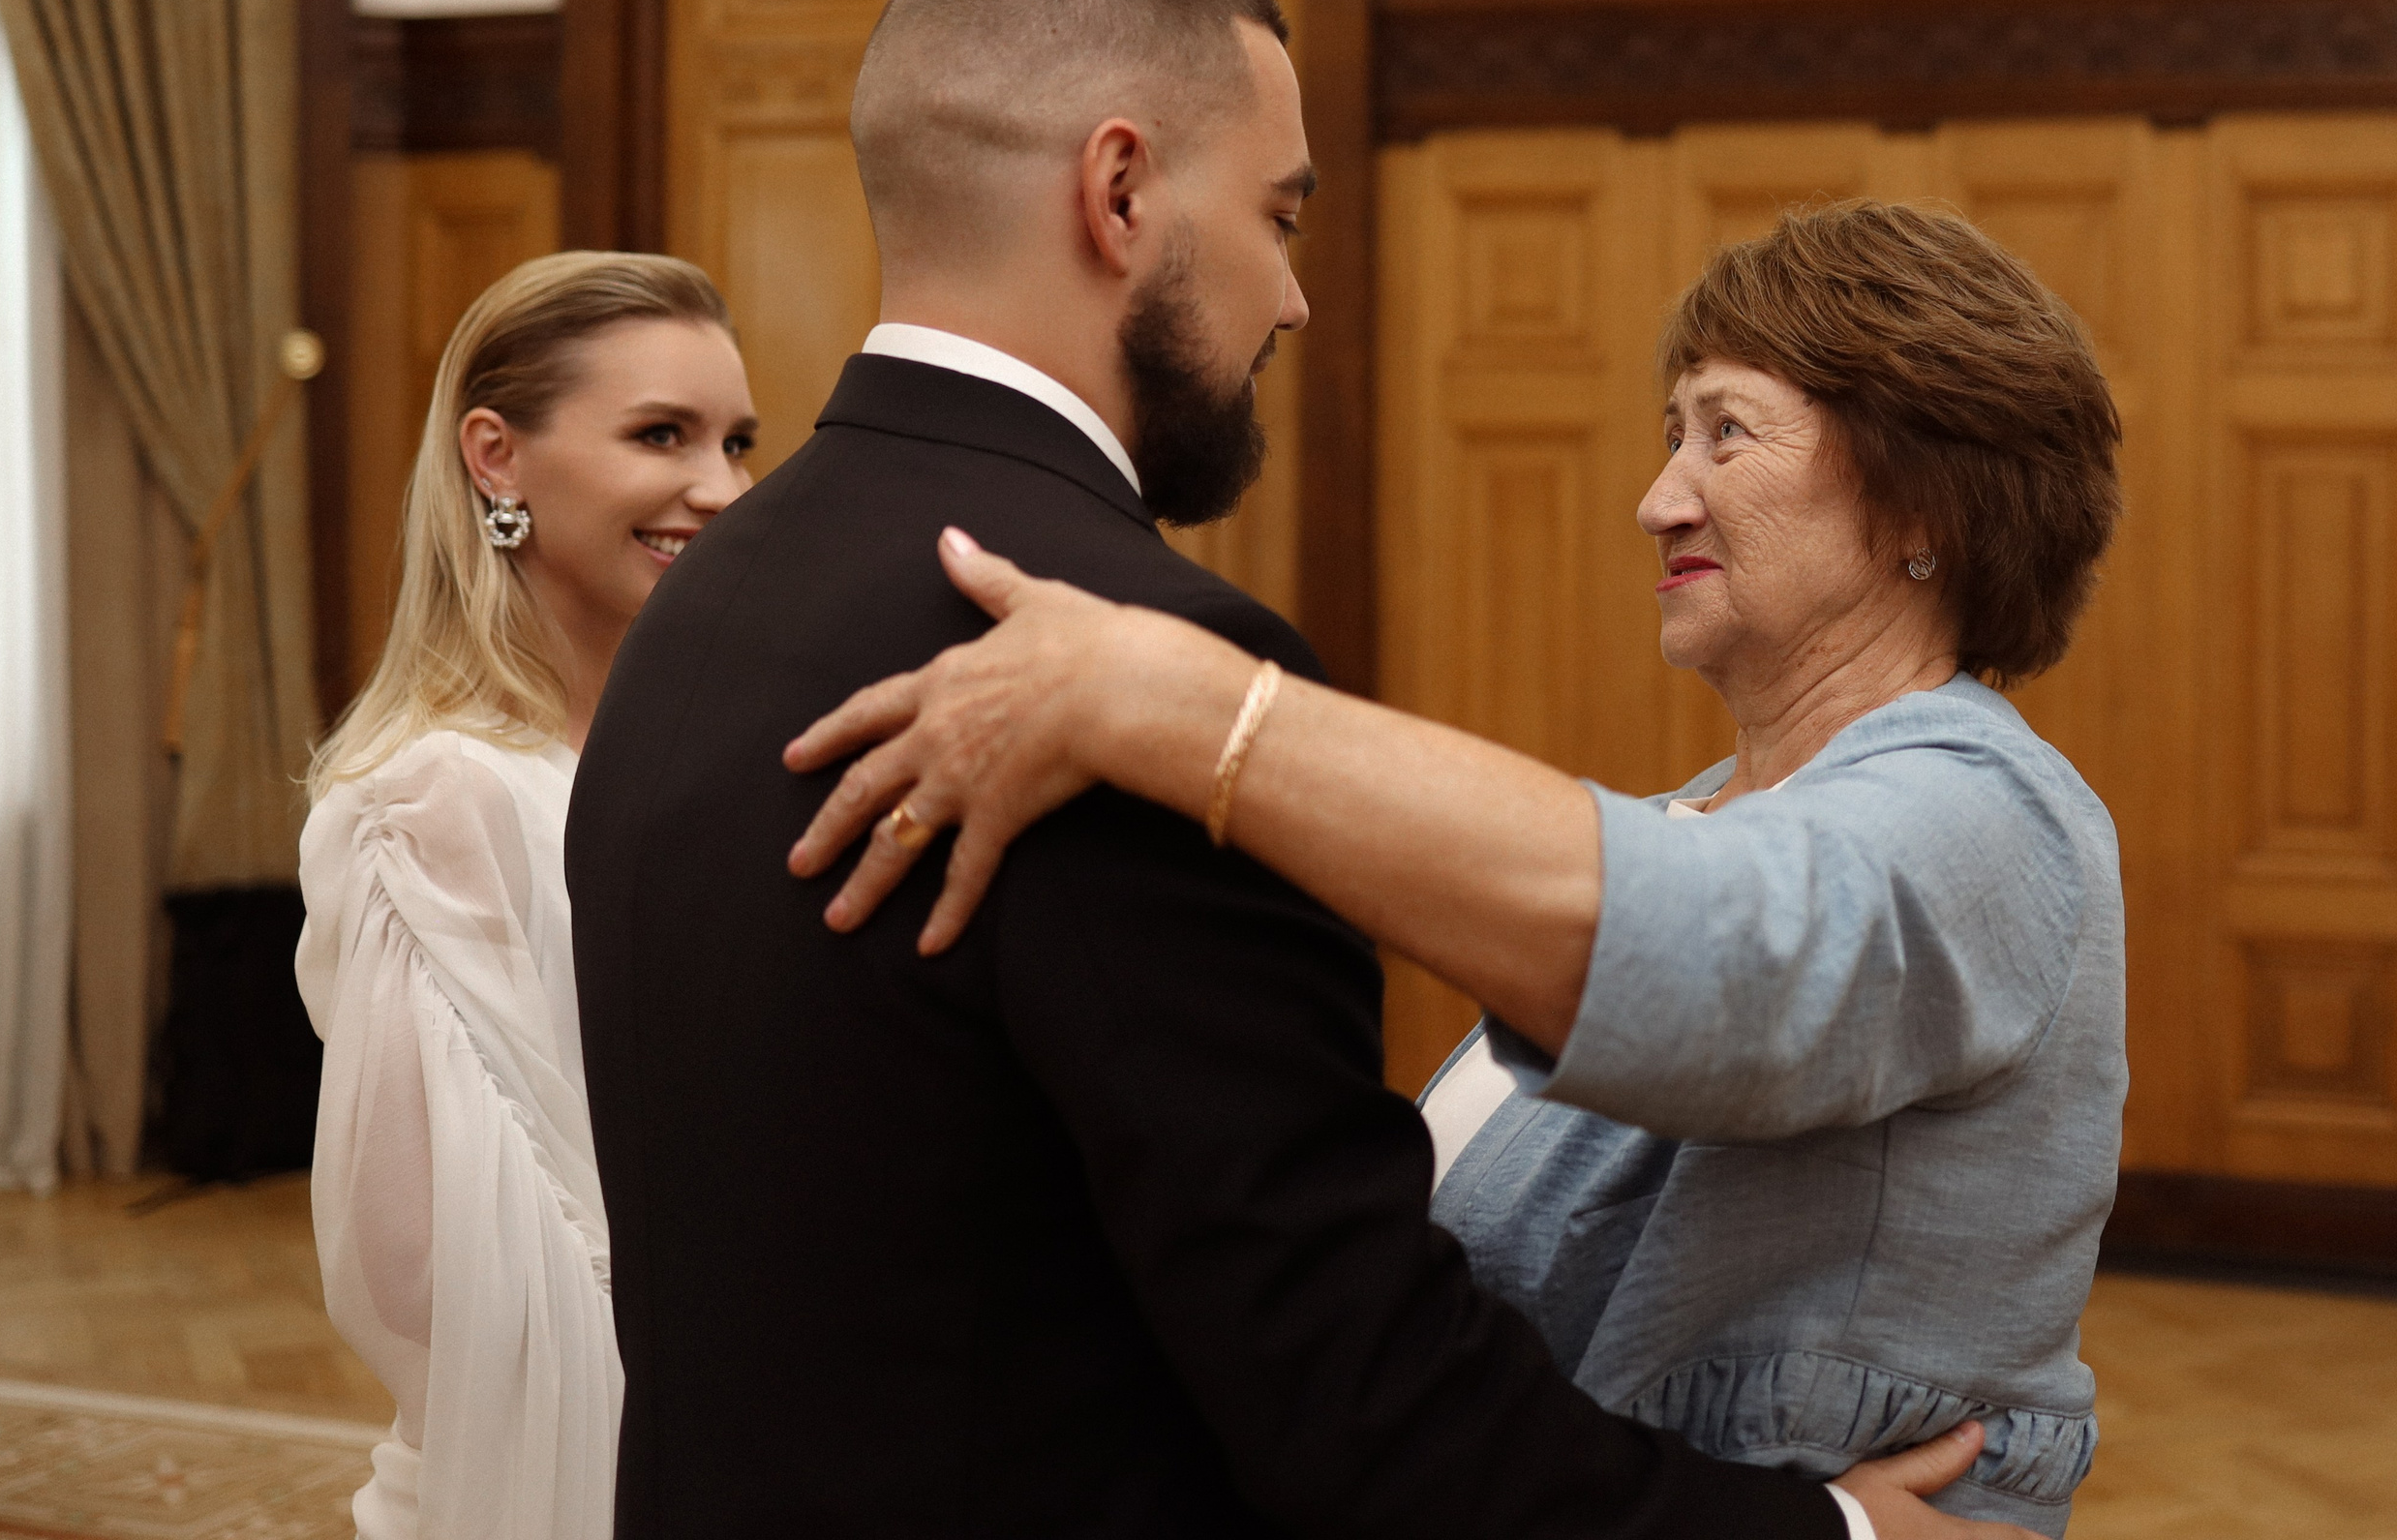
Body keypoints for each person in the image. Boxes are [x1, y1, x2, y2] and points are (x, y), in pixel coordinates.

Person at [570, 0, 2018, 1540]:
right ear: (1120, 194)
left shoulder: (708, 591)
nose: (1295, 302)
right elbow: (1364, 1407)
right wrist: (1824, 1537)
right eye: (1281, 216)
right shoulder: (1149, 670)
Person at [787, 198, 2125, 1538]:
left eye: (1727, 429)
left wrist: (1175, 702)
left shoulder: (1993, 808)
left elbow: (1732, 965)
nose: (1659, 499)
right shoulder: (1695, 817)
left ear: (1924, 499)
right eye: (1672, 437)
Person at [298, 252, 757, 1540]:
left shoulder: (688, 768)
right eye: (661, 435)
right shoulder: (438, 802)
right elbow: (419, 1273)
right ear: (495, 457)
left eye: (737, 441)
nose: (720, 489)